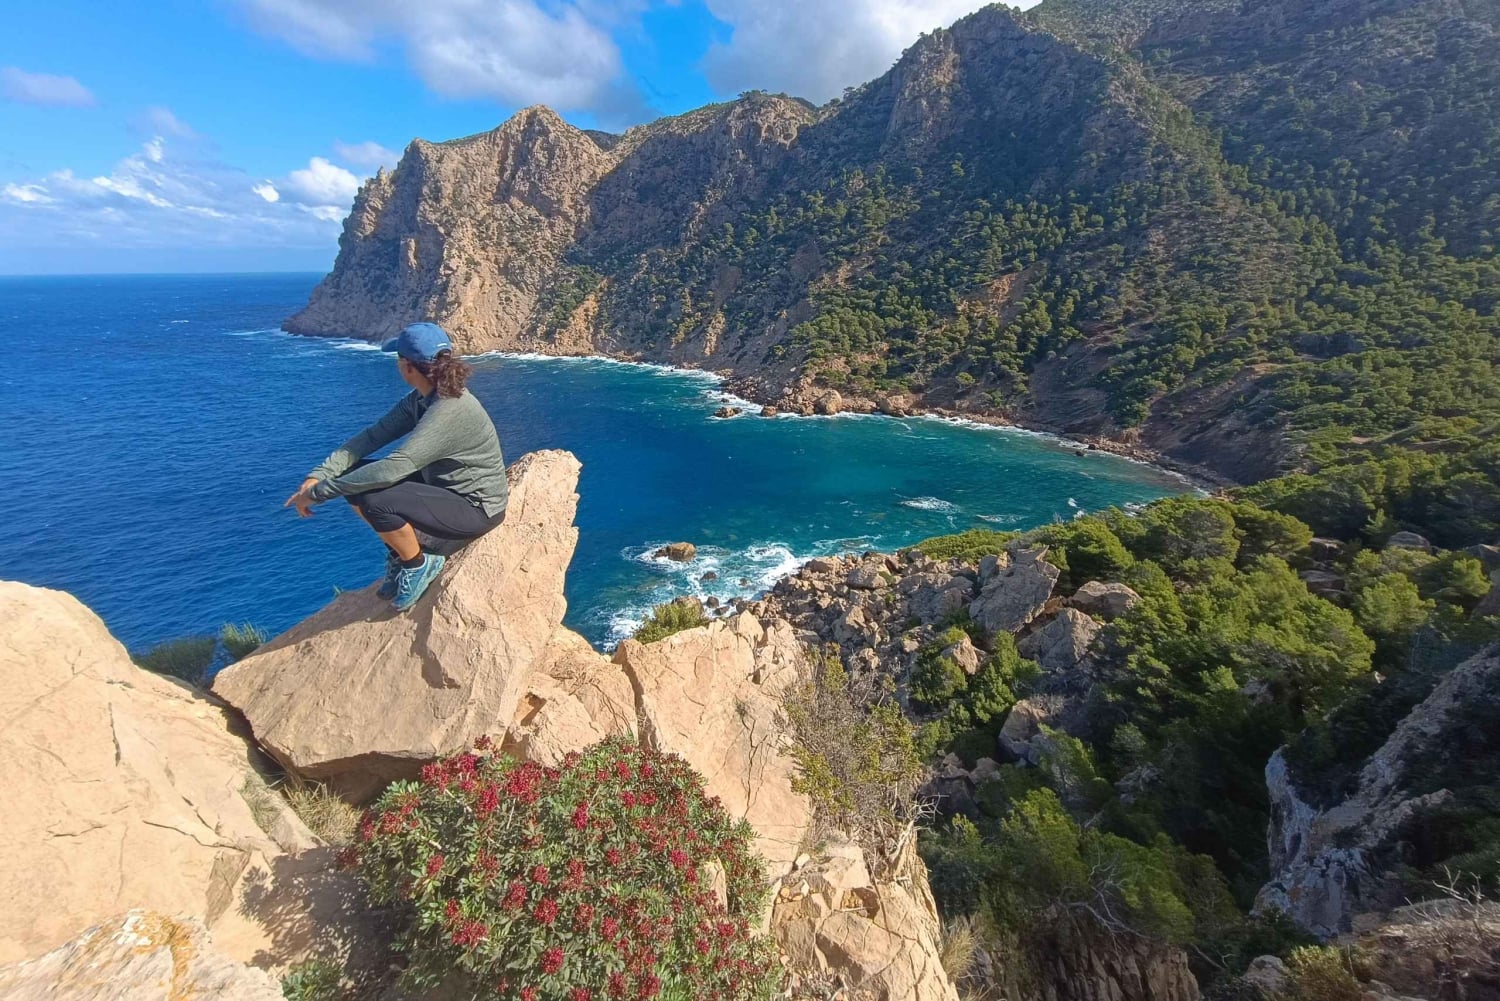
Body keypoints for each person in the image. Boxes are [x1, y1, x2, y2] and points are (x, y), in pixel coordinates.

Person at [284, 322, 508, 611]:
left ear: (408, 366)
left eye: (398, 360)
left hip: (477, 509)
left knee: (374, 498)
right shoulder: (423, 399)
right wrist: (320, 474)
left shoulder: (448, 409)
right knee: (356, 478)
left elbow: (395, 468)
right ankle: (401, 554)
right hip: (444, 490)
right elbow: (373, 436)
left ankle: (418, 565)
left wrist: (319, 493)